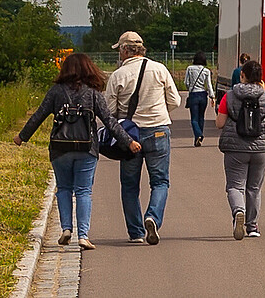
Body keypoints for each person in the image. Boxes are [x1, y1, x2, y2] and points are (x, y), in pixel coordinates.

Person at [15, 52, 140, 251]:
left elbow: (38, 115)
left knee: (63, 189)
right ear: (88, 69)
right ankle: (83, 235)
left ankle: (66, 229)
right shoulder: (93, 93)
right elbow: (110, 122)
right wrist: (129, 141)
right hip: (86, 148)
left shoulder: (56, 92)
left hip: (59, 148)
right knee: (83, 191)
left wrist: (22, 137)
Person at [105, 31, 182, 245]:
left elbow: (109, 110)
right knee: (160, 181)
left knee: (130, 185)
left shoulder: (118, 75)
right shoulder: (159, 69)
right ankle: (153, 217)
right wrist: (159, 112)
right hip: (158, 129)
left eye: (119, 50)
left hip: (129, 135)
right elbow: (175, 100)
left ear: (124, 50)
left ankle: (136, 232)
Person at [217, 58, 265, 239]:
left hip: (235, 148)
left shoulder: (229, 96)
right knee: (254, 188)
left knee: (235, 186)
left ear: (242, 76)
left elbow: (220, 123)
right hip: (260, 149)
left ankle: (238, 212)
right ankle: (252, 227)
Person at [183, 51, 214, 148]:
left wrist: (190, 88)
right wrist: (212, 96)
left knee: (194, 119)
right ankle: (198, 136)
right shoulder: (206, 71)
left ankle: (198, 134)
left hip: (193, 95)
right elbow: (209, 85)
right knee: (201, 117)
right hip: (203, 95)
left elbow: (186, 82)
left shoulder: (190, 68)